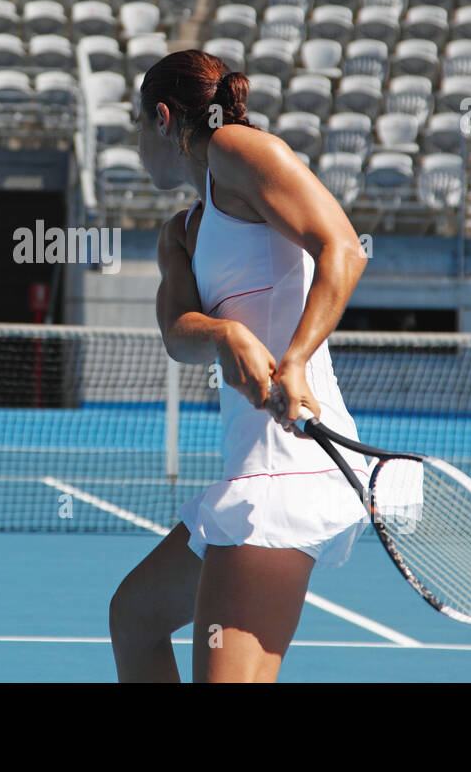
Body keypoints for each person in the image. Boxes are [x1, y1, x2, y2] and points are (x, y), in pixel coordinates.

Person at [110, 50, 371, 683]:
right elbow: (179, 333)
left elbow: (343, 248)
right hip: (251, 464)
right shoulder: (182, 231)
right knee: (136, 616)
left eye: (138, 125)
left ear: (165, 119)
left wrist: (296, 361)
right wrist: (226, 335)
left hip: (290, 469)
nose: (137, 142)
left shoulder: (237, 151)